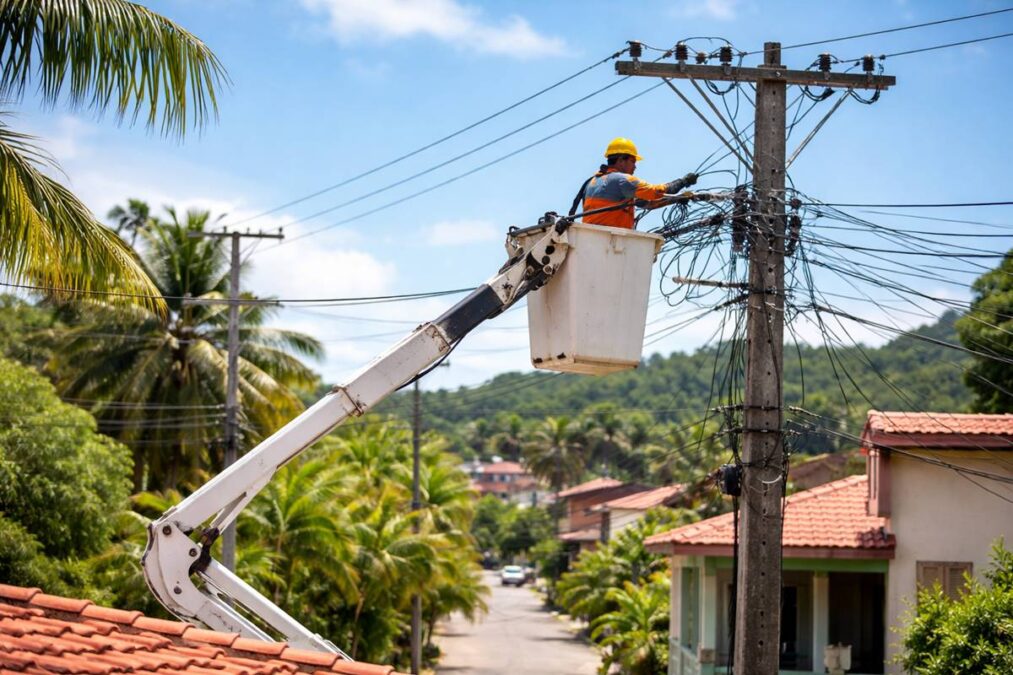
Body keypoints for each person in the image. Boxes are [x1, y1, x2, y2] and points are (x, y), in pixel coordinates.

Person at [570, 137, 697, 230]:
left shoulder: (592, 182)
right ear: (621, 160)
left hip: (590, 241)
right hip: (609, 243)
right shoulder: (622, 180)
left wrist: (677, 199)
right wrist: (683, 181)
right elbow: (656, 192)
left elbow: (648, 203)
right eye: (633, 161)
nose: (635, 167)